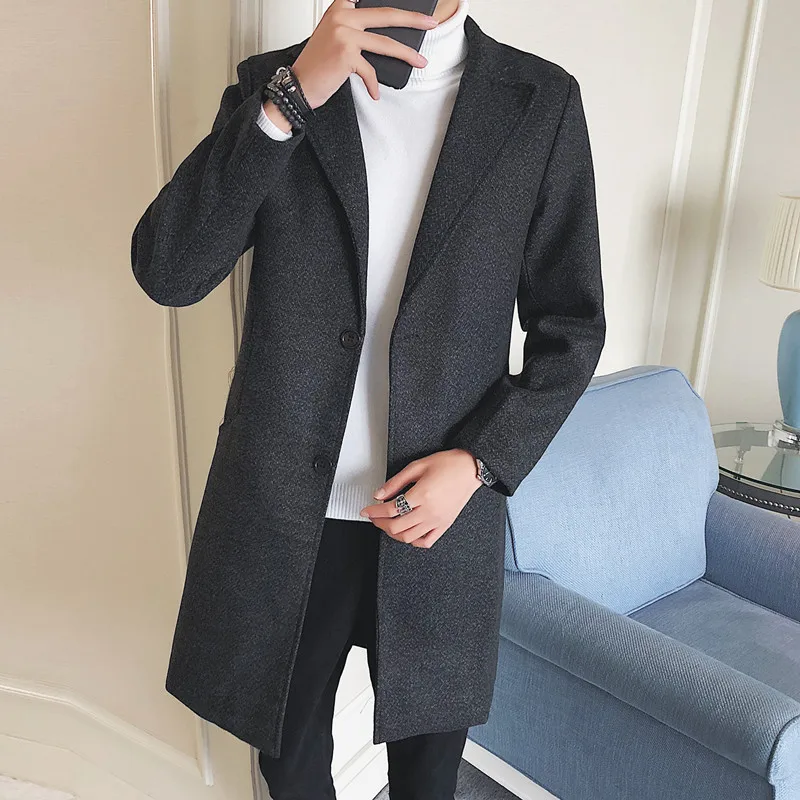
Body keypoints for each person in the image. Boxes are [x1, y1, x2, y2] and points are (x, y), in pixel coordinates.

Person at [130, 0, 606, 797]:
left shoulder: (539, 101)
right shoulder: (276, 82)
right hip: (287, 518)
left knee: (427, 777)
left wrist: (480, 463)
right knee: (289, 769)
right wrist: (291, 99)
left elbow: (573, 326)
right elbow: (170, 270)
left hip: (436, 522)